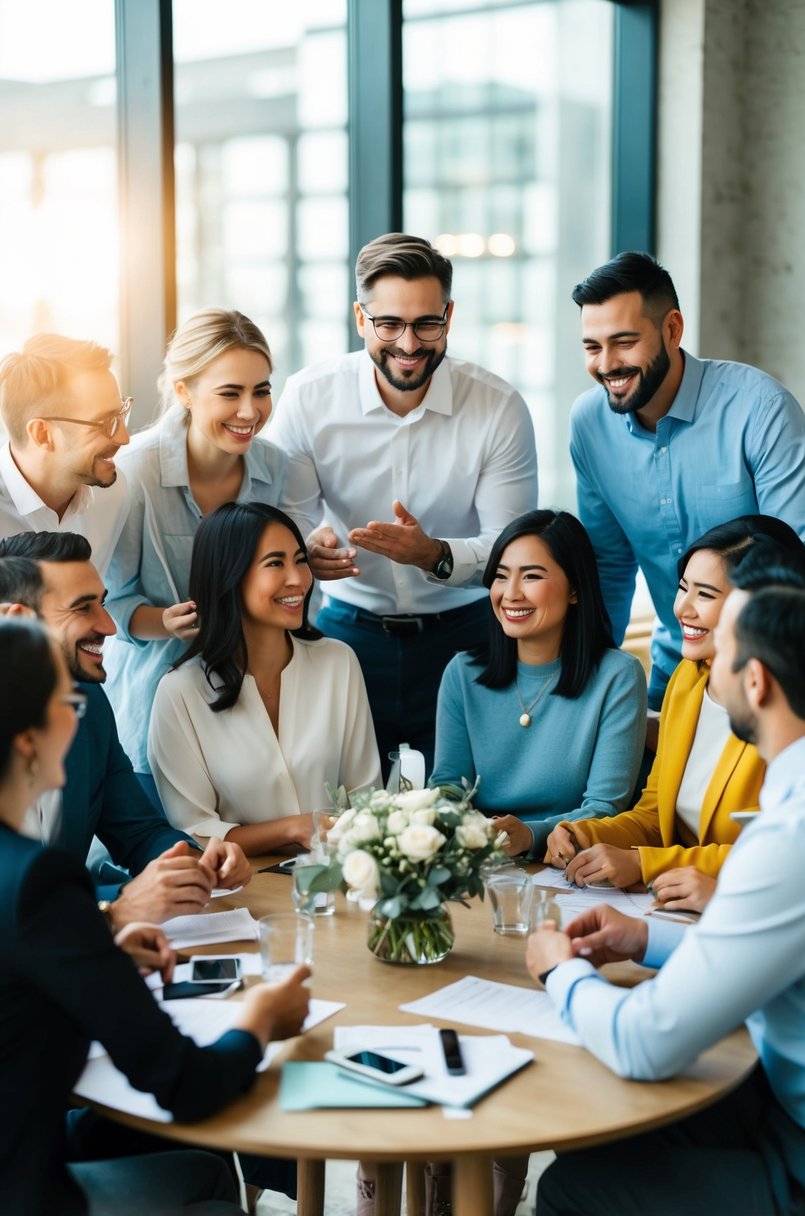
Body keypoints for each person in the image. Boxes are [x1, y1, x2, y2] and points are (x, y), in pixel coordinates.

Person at [525, 550, 805, 1216]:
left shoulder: (794, 835)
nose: (701, 654)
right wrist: (643, 939)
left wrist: (557, 971)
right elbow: (772, 945)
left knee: (571, 1188)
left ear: (755, 683)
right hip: (782, 1098)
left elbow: (643, 1044)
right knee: (602, 1138)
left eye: (722, 646)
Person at [0, 613, 311, 1216]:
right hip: (27, 1187)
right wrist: (262, 1021)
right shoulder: (41, 881)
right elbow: (186, 1085)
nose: (81, 712)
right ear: (28, 740)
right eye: (66, 702)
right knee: (214, 1194)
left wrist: (104, 954)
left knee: (202, 1170)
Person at [266, 232, 538, 774]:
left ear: (449, 316)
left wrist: (433, 554)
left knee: (465, 809)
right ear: (360, 318)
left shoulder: (498, 407)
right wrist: (307, 553)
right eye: (389, 324)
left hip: (467, 637)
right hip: (345, 632)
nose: (409, 345)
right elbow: (283, 526)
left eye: (426, 324)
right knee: (343, 806)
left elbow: (514, 555)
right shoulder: (308, 397)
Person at [569, 250, 805, 710]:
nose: (606, 364)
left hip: (770, 668)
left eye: (624, 342)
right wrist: (591, 691)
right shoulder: (589, 424)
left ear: (672, 329)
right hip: (675, 666)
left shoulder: (760, 409)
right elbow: (608, 567)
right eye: (593, 347)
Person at [546, 515, 805, 909]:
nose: (682, 608)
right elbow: (655, 815)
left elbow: (781, 853)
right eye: (683, 588)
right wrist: (584, 834)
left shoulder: (793, 708)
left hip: (743, 905)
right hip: (673, 907)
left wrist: (645, 864)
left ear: (755, 607)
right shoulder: (687, 680)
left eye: (705, 595)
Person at [0, 531, 250, 928]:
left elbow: (139, 832)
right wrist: (118, 905)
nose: (110, 626)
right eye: (83, 608)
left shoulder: (89, 706)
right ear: (17, 620)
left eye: (102, 603)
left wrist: (191, 862)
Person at [105, 308, 283, 788]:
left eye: (261, 390)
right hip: (153, 708)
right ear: (183, 391)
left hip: (248, 706)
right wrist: (162, 622)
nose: (250, 411)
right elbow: (112, 603)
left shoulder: (277, 468)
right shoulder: (134, 473)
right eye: (230, 393)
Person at [149, 502, 381, 853]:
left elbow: (367, 798)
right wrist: (293, 828)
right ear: (229, 575)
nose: (298, 579)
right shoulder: (179, 691)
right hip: (240, 889)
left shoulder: (339, 662)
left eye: (300, 560)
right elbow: (194, 831)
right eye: (275, 563)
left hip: (339, 879)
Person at [431, 509, 647, 859]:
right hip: (476, 862)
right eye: (501, 577)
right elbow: (448, 788)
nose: (511, 593)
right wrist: (468, 829)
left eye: (531, 576)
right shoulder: (462, 673)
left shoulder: (618, 676)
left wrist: (531, 835)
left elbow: (605, 808)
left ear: (575, 588)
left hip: (570, 864)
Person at [0, 333, 131, 573]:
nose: (124, 437)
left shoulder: (114, 493)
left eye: (120, 413)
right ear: (42, 434)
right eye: (104, 422)